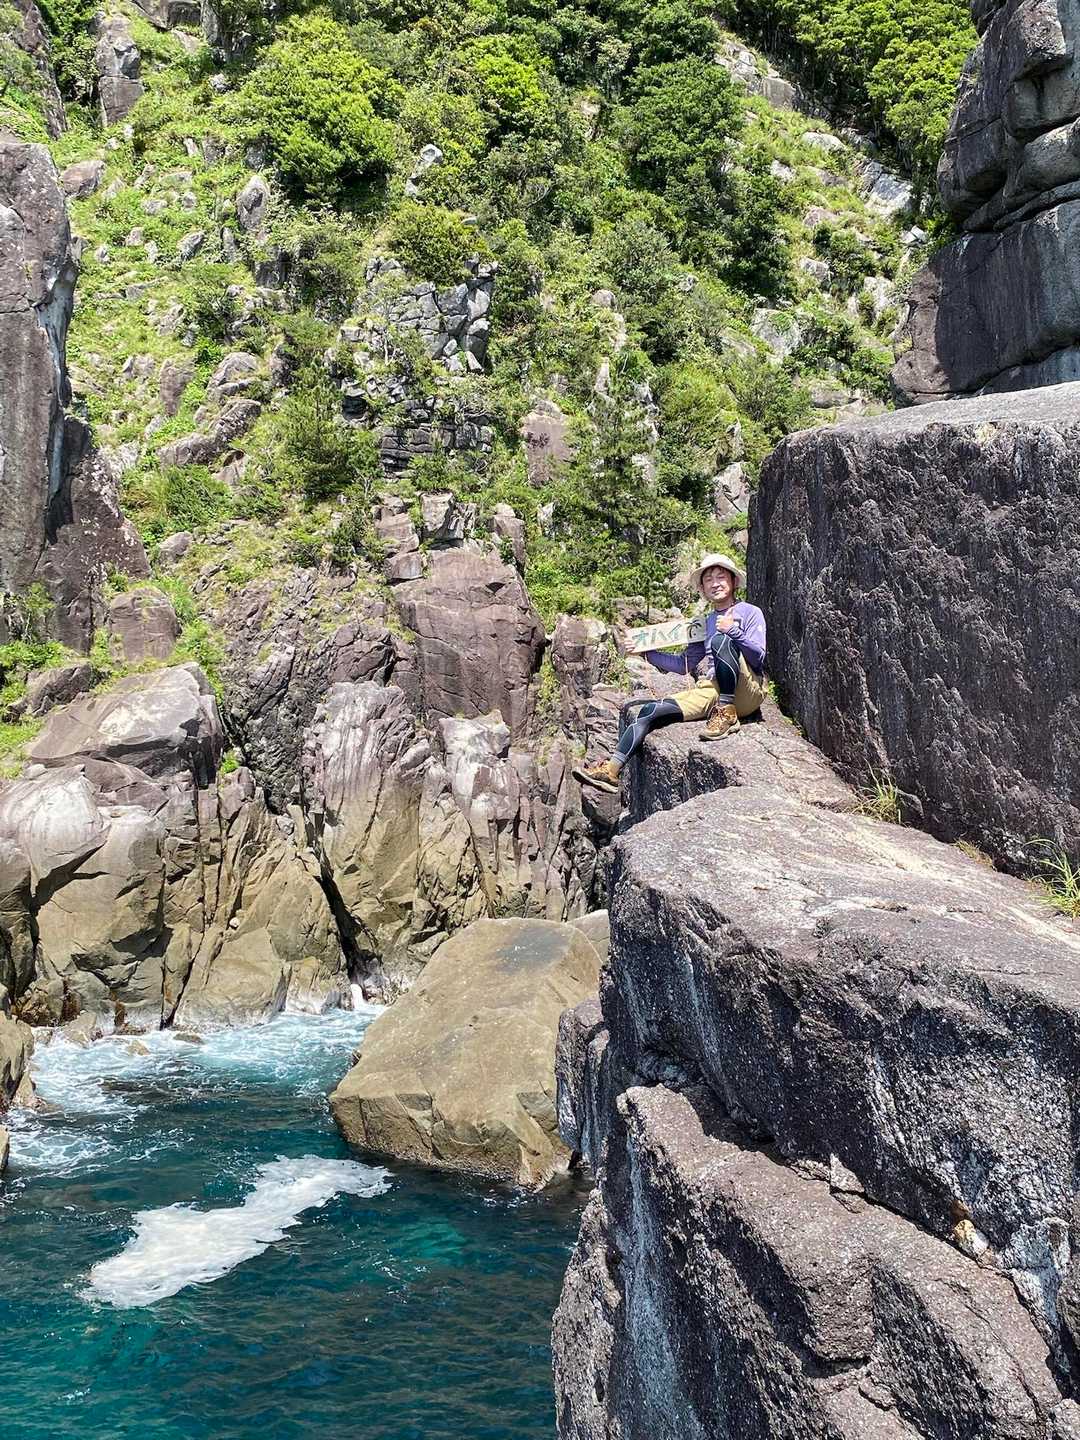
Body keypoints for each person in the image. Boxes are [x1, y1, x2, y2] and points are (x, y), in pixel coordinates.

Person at [574, 553, 767, 794]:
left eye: (721, 577)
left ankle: (727, 714)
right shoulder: (704, 622)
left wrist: (733, 632)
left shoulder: (750, 612)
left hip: (747, 687)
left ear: (734, 581)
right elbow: (684, 664)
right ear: (702, 588)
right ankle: (611, 771)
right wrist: (646, 653)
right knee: (649, 711)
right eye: (708, 579)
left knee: (721, 640)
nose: (715, 583)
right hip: (712, 688)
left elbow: (759, 657)